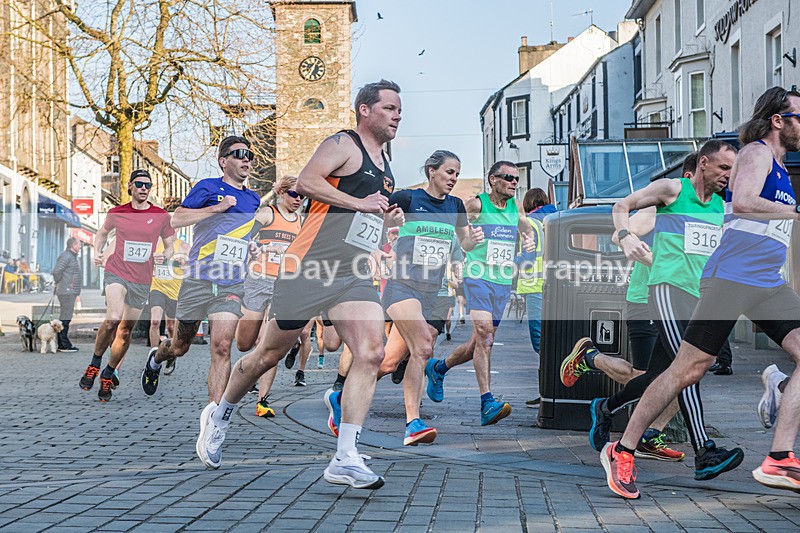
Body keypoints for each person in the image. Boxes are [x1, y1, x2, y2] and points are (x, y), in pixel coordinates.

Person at [194, 80, 405, 490]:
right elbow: (307, 182)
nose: (398, 115)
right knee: (266, 355)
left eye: (399, 110)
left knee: (371, 351)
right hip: (309, 268)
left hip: (352, 273)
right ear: (365, 110)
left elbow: (359, 220)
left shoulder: (385, 163)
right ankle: (219, 415)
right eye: (390, 108)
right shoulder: (343, 144)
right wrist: (362, 203)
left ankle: (345, 456)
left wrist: (384, 220)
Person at [601, 87, 800, 498]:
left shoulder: (779, 168)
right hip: (730, 279)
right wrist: (625, 235)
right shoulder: (757, 153)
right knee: (687, 370)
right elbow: (743, 201)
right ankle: (622, 449)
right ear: (778, 120)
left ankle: (780, 455)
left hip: (766, 281)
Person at [593, 138, 743, 499]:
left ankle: (608, 409)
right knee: (688, 368)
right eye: (723, 167)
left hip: (699, 298)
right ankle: (703, 450)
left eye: (733, 169)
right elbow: (622, 205)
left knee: (659, 377)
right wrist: (625, 235)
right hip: (666, 290)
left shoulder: (720, 207)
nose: (728, 175)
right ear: (703, 163)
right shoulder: (674, 190)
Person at [140, 136, 261, 404]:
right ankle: (156, 358)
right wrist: (217, 208)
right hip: (198, 280)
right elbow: (177, 219)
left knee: (222, 347)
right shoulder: (207, 187)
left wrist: (250, 246)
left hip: (230, 283)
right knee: (179, 347)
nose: (246, 159)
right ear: (223, 161)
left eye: (249, 155)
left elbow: (238, 234)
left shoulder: (253, 199)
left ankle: (213, 418)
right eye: (239, 154)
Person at [374, 149, 479, 445]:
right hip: (403, 287)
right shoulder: (408, 198)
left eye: (457, 174)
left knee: (388, 363)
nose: (454, 178)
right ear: (432, 171)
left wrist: (472, 240)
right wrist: (384, 230)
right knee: (422, 348)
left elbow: (464, 244)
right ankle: (413, 423)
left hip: (434, 292)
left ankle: (344, 393)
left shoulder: (456, 205)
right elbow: (377, 222)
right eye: (449, 172)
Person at [424, 161, 536, 426]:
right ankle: (487, 402)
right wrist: (466, 243)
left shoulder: (515, 207)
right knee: (486, 336)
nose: (514, 182)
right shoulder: (476, 204)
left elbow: (526, 228)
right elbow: (455, 230)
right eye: (508, 177)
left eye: (517, 179)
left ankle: (438, 368)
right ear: (493, 180)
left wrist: (528, 244)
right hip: (478, 277)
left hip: (502, 282)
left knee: (477, 344)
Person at [79, 170, 176, 402]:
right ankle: (94, 363)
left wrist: (165, 256)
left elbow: (169, 245)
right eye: (139, 184)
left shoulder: (160, 216)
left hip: (141, 279)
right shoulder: (117, 212)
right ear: (130, 186)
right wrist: (97, 251)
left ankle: (109, 373)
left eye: (148, 185)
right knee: (113, 318)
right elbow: (102, 233)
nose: (144, 188)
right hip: (117, 271)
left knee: (125, 331)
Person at [233, 175, 304, 417]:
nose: (298, 199)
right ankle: (251, 367)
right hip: (257, 280)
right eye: (294, 194)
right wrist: (263, 247)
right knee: (245, 343)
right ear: (282, 193)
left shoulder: (302, 223)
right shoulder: (267, 214)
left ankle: (262, 400)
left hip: (284, 285)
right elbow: (242, 238)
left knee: (269, 343)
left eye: (302, 196)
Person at [516, 188, 555, 355]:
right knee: (551, 333)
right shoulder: (553, 220)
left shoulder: (530, 223)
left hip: (534, 285)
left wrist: (508, 261)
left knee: (538, 337)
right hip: (554, 284)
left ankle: (551, 368)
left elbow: (527, 260)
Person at [147, 237, 190, 374]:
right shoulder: (155, 244)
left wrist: (183, 263)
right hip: (157, 288)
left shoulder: (183, 247)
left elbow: (194, 270)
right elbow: (143, 262)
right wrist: (151, 259)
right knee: (155, 322)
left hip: (175, 293)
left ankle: (171, 355)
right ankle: (153, 361)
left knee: (171, 327)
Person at [52, 237, 82, 352]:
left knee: (66, 317)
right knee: (65, 317)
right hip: (67, 290)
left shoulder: (70, 256)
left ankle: (62, 342)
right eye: (79, 244)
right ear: (73, 245)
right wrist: (59, 282)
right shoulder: (66, 256)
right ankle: (63, 344)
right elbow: (56, 271)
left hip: (69, 290)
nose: (80, 246)